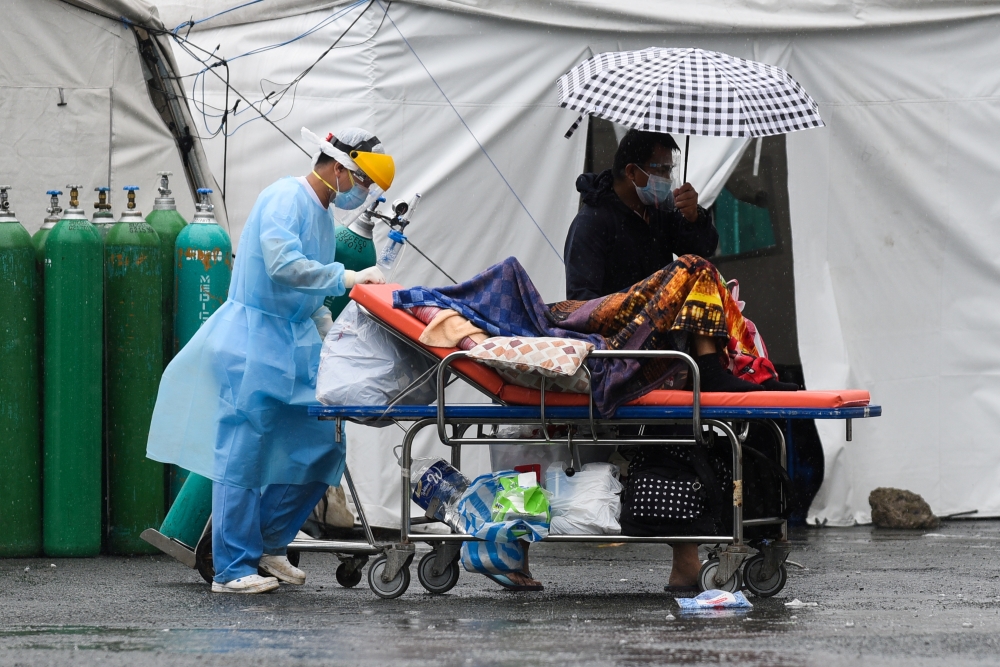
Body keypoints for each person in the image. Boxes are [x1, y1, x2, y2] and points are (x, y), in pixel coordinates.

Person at [147, 127, 393, 594]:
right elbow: (284, 266)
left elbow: (310, 293)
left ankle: (268, 542)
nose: (362, 194)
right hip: (251, 342)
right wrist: (349, 276)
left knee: (324, 441)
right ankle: (232, 569)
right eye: (362, 182)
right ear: (339, 168)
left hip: (292, 342)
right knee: (242, 456)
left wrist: (330, 339)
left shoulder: (322, 216)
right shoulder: (285, 197)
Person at [562, 129, 789, 594]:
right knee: (691, 271)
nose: (668, 178)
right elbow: (583, 307)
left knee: (696, 266)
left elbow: (704, 247)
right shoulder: (592, 225)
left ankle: (716, 550)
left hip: (668, 350)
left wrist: (694, 215)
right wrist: (647, 302)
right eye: (662, 169)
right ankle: (710, 368)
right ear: (633, 171)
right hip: (625, 350)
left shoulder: (658, 214)